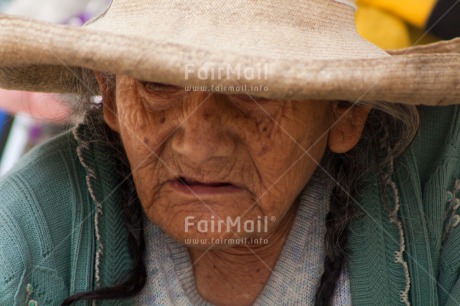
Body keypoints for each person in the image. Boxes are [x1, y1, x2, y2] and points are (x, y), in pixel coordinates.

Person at [0, 0, 459, 305]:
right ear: (113, 98)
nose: (197, 146)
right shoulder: (31, 223)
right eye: (159, 84)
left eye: (251, 90)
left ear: (345, 112)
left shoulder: (441, 187)